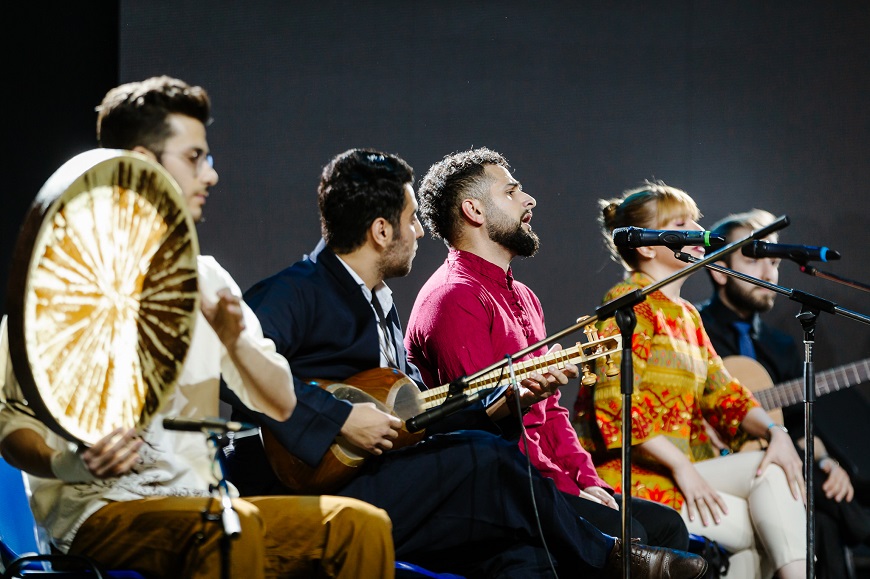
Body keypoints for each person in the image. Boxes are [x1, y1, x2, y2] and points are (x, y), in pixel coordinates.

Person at [222, 148, 708, 578]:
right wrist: (340, 418)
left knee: (522, 555)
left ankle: (610, 555)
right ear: (381, 230)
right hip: (313, 488)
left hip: (382, 476)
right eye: (412, 221)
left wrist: (501, 403)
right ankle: (610, 557)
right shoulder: (298, 290)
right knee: (484, 457)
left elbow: (422, 409)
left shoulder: (380, 305)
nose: (420, 232)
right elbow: (232, 364)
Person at [0, 76, 395, 579]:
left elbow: (280, 404)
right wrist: (72, 462)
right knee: (230, 530)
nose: (210, 175)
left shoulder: (206, 278)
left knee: (359, 527)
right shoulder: (59, 286)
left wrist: (234, 341)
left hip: (206, 506)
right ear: (145, 162)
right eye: (194, 158)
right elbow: (12, 424)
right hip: (101, 516)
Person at [404, 147, 690, 551]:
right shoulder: (453, 297)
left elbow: (549, 410)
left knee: (668, 527)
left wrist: (587, 480)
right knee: (633, 541)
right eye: (511, 191)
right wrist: (562, 486)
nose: (529, 200)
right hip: (505, 490)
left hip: (547, 478)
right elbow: (485, 428)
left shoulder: (523, 295)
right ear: (474, 210)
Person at [572, 181, 809, 579]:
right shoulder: (625, 306)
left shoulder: (687, 316)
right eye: (681, 224)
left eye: (694, 221)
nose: (699, 234)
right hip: (638, 480)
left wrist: (775, 431)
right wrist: (683, 468)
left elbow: (725, 392)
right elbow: (617, 409)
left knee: (772, 470)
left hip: (690, 472)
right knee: (758, 526)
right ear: (647, 247)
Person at [697, 208, 870, 578]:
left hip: (780, 458)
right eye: (755, 259)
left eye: (774, 263)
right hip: (719, 461)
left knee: (825, 517)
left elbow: (798, 422)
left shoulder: (781, 345)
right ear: (717, 269)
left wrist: (825, 461)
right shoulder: (695, 331)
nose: (768, 273)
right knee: (836, 508)